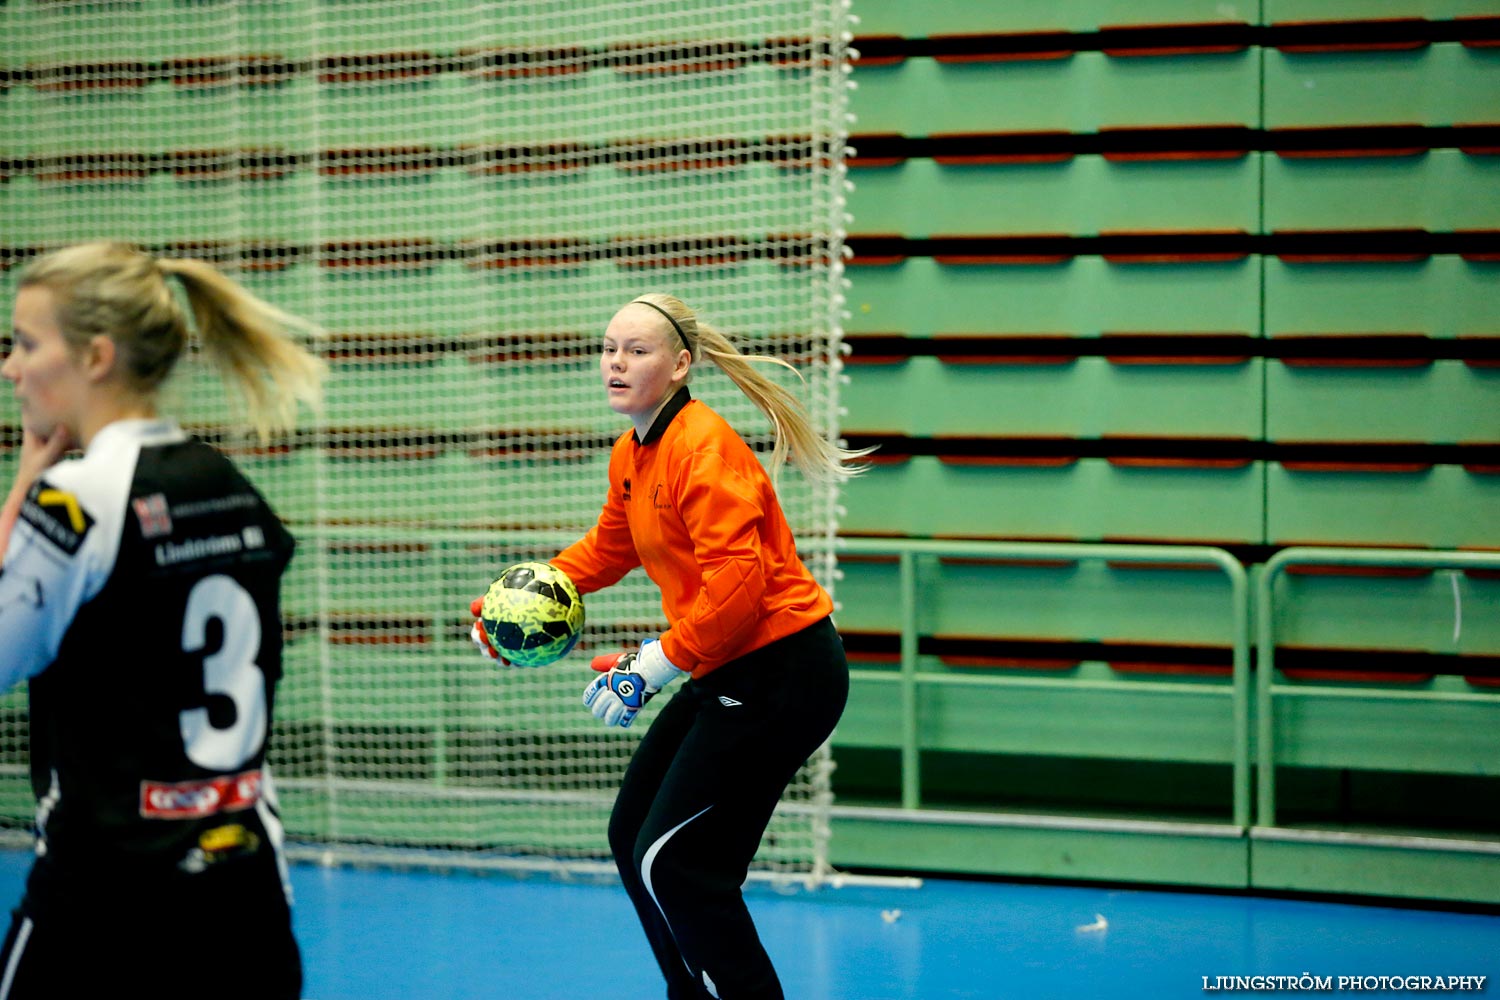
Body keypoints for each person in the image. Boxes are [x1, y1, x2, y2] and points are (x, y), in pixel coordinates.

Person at [470, 293, 871, 999]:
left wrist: (656, 663)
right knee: (634, 840)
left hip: (784, 671)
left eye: (638, 350)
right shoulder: (634, 450)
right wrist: (520, 602)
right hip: (728, 665)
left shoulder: (704, 448)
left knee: (678, 864)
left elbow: (741, 587)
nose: (616, 363)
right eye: (609, 348)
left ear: (681, 365)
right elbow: (609, 547)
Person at [0, 241, 323, 998]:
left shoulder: (78, 499)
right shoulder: (233, 487)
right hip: (244, 891)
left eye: (25, 343)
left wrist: (23, 482)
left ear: (96, 357)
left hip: (107, 897)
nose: (11, 367)